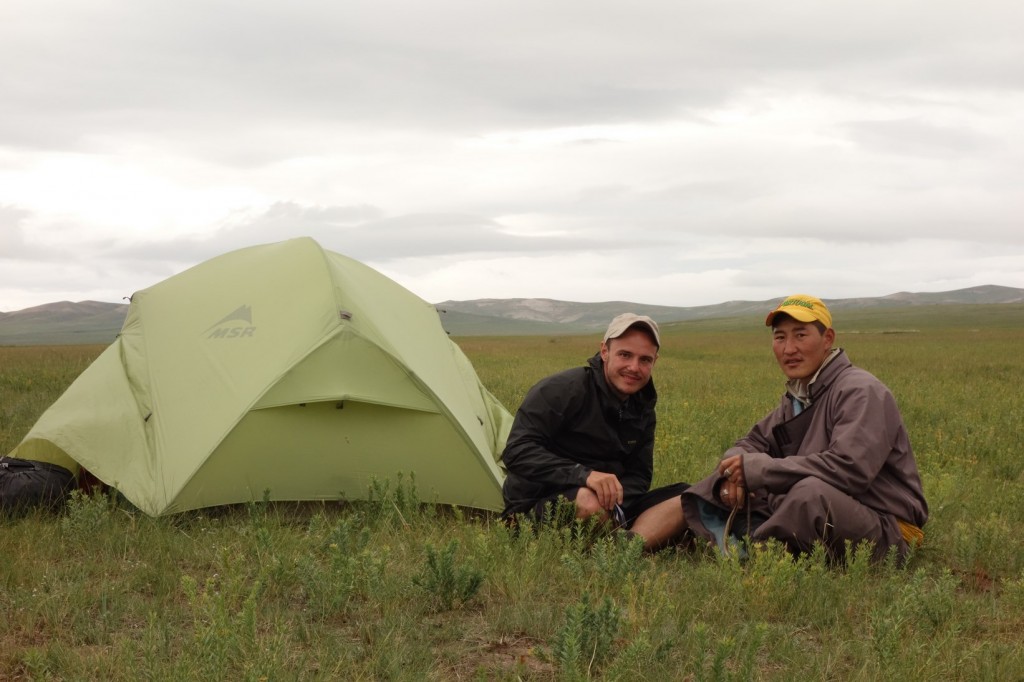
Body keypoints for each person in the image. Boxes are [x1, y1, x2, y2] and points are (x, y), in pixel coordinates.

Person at [682, 294, 928, 562]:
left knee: (809, 496)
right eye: (780, 338)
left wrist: (759, 470)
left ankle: (757, 555)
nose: (789, 349)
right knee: (716, 480)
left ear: (828, 339)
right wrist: (734, 473)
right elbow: (750, 442)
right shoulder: (799, 395)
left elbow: (850, 470)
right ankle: (744, 540)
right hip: (827, 512)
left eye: (800, 335)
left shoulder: (860, 391)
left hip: (885, 527)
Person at [500, 313, 688, 551]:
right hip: (537, 504)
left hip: (608, 504)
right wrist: (585, 476)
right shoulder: (562, 390)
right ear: (604, 351)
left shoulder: (643, 408)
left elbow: (640, 477)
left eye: (645, 360)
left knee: (689, 496)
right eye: (625, 355)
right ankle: (637, 540)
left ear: (655, 362)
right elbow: (517, 452)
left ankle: (624, 546)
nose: (634, 367)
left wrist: (613, 500)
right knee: (587, 502)